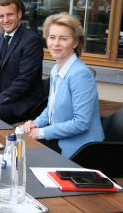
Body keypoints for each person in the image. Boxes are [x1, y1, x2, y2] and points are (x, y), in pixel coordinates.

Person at [21, 12, 104, 158]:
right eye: (52, 37)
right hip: (60, 137)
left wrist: (41, 133)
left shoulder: (80, 74)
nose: (56, 43)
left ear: (75, 42)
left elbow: (81, 123)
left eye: (63, 38)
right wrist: (36, 124)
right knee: (18, 145)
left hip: (81, 147)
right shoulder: (56, 69)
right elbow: (51, 108)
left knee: (24, 153)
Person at [0, 0, 44, 124]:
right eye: (1, 16)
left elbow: (25, 80)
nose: (5, 20)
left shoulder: (31, 40)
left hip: (21, 99)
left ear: (19, 14)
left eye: (10, 14)